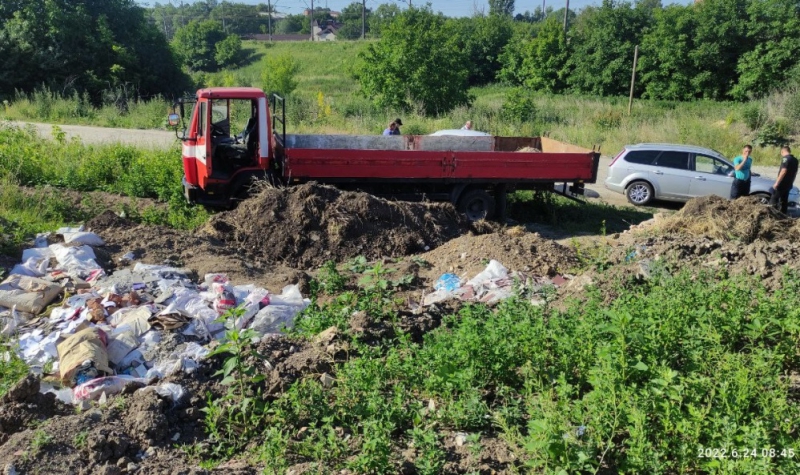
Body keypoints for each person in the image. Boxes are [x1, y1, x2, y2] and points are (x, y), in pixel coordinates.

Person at [769, 145, 798, 214]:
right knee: (784, 201)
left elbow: (783, 171)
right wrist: (792, 182)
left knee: (774, 199)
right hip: (788, 183)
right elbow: (795, 172)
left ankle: (772, 215)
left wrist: (776, 183)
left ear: (782, 152)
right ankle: (783, 215)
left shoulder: (785, 159)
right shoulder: (795, 160)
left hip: (782, 183)